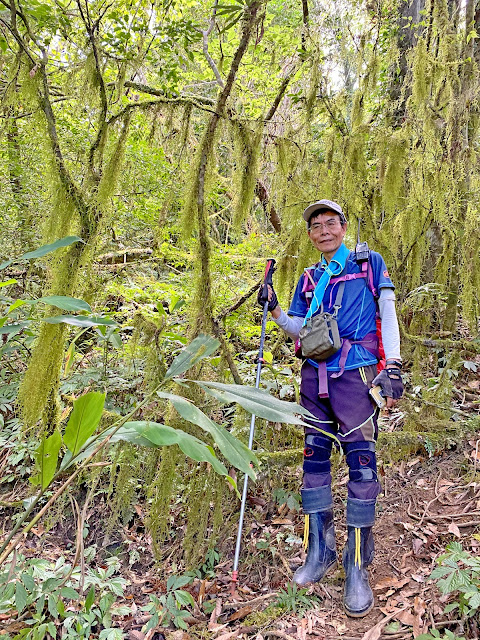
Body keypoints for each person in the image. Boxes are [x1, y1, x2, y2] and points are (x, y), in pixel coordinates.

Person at [258, 200, 403, 618]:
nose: (323, 230)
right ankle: (318, 553)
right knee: (314, 463)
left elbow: (388, 314)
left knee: (361, 464)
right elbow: (298, 330)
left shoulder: (368, 263)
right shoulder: (309, 278)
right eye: (316, 226)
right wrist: (276, 310)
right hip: (313, 378)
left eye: (330, 223)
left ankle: (356, 565)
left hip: (357, 376)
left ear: (343, 227)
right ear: (310, 235)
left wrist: (392, 366)